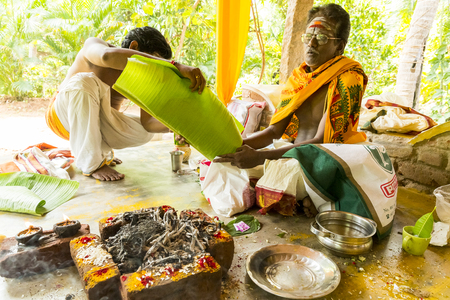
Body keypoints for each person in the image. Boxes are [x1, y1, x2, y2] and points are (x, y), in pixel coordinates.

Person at [215, 4, 368, 217]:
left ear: (339, 47)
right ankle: (310, 198)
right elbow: (274, 132)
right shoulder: (299, 79)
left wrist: (260, 157)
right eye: (309, 36)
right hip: (292, 152)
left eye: (322, 37)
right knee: (225, 165)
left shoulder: (348, 78)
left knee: (276, 178)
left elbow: (322, 143)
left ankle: (313, 195)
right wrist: (234, 146)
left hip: (324, 160)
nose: (312, 43)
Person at [46, 26, 206, 181]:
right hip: (61, 116)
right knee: (85, 81)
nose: (155, 68)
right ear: (134, 46)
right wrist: (174, 66)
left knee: (144, 132)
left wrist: (179, 126)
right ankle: (92, 164)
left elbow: (149, 123)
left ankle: (100, 151)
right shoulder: (96, 45)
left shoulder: (144, 80)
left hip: (96, 128)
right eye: (155, 62)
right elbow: (106, 56)